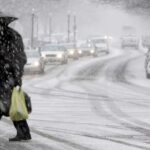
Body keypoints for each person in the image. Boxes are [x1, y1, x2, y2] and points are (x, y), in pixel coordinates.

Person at [0, 12, 31, 142]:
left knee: (7, 104)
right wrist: (17, 75)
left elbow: (19, 58)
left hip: (6, 76)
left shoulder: (10, 37)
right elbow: (21, 58)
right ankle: (23, 132)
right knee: (11, 104)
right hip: (10, 76)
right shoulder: (14, 35)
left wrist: (14, 73)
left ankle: (23, 132)